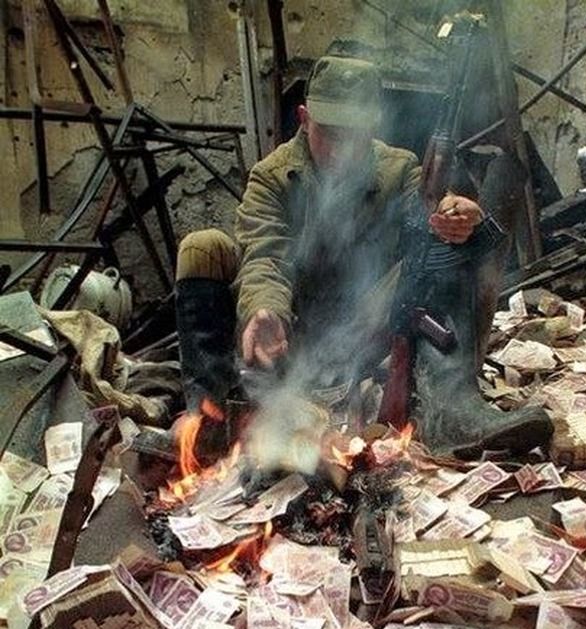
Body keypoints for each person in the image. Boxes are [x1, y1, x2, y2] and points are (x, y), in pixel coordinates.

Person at [174, 56, 552, 456]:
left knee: (437, 249)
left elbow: (435, 214)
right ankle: (210, 420)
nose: (340, 150)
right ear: (304, 118)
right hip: (290, 338)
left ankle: (451, 411)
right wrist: (265, 310)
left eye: (353, 135)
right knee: (202, 247)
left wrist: (458, 217)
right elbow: (264, 255)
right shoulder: (273, 176)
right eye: (328, 133)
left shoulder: (399, 169)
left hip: (365, 332)